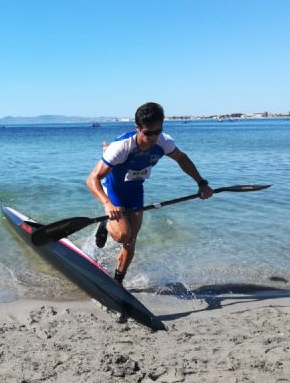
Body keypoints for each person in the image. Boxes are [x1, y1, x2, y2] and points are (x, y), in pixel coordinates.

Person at [86, 102, 213, 285]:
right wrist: (108, 204)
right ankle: (106, 224)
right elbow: (92, 179)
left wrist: (202, 183)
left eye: (157, 131)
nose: (153, 137)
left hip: (136, 189)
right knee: (123, 235)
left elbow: (182, 159)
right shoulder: (122, 147)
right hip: (114, 189)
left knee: (131, 240)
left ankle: (118, 282)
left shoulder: (164, 142)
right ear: (138, 128)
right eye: (148, 133)